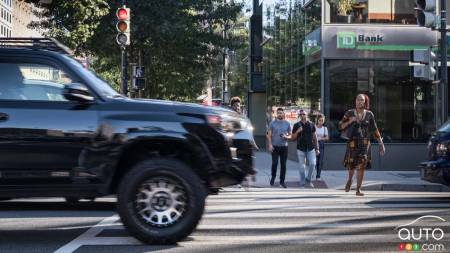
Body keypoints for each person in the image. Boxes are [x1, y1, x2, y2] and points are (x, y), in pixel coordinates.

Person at [338, 94, 385, 196]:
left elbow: (375, 129)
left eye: (362, 100)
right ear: (355, 101)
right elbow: (340, 126)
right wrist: (350, 120)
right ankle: (350, 179)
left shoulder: (369, 114)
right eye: (358, 99)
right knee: (351, 165)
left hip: (365, 144)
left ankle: (358, 189)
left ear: (365, 102)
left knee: (361, 166)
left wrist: (381, 143)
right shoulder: (349, 113)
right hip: (352, 143)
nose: (360, 101)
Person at [289, 109, 319, 188]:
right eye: (301, 114)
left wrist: (317, 148)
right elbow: (292, 138)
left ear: (307, 115)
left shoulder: (311, 124)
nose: (302, 115)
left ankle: (308, 179)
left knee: (313, 164)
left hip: (310, 148)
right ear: (299, 116)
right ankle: (302, 182)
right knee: (302, 167)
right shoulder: (296, 125)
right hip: (300, 148)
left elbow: (315, 138)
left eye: (304, 114)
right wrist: (297, 132)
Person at [267, 107, 291, 188]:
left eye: (281, 113)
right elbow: (269, 135)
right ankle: (273, 177)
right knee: (275, 163)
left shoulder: (287, 123)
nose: (280, 114)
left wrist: (286, 136)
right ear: (276, 114)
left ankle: (282, 181)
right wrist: (270, 145)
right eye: (278, 113)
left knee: (283, 165)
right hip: (275, 147)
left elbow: (290, 134)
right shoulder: (272, 123)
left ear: (283, 114)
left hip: (284, 147)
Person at [315, 114, 329, 181]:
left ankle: (318, 176)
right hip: (314, 145)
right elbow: (312, 137)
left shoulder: (324, 128)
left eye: (322, 120)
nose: (321, 122)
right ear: (317, 120)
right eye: (320, 120)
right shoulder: (314, 127)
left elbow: (327, 137)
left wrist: (320, 138)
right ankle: (313, 173)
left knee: (320, 161)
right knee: (315, 161)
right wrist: (317, 139)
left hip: (321, 145)